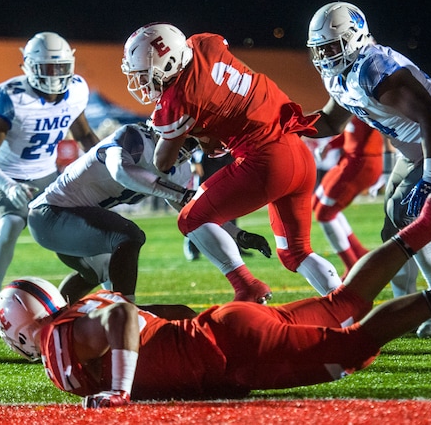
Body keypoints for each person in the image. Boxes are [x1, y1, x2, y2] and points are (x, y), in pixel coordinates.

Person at [0, 190, 431, 407]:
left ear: (20, 325)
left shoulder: (59, 343)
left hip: (229, 351)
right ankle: (427, 225)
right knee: (344, 302)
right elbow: (152, 315)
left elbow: (127, 318)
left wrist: (119, 389)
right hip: (223, 328)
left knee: (352, 344)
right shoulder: (80, 311)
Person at [120, 23, 343, 303]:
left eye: (145, 75)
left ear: (170, 63)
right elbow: (224, 87)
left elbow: (162, 162)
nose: (142, 83)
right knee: (296, 253)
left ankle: (247, 286)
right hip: (296, 149)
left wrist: (175, 132)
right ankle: (348, 307)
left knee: (191, 218)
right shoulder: (203, 43)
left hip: (266, 161)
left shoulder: (177, 99)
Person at [305, 2, 431, 338]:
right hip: (418, 148)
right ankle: (406, 304)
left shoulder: (374, 68)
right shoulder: (341, 76)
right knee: (393, 233)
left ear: (355, 36)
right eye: (321, 49)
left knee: (412, 213)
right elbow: (331, 120)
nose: (327, 55)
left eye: (333, 46)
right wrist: (289, 124)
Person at [27, 122, 272, 305]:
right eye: (183, 141)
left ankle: (50, 321)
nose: (182, 151)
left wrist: (237, 234)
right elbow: (121, 171)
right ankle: (127, 313)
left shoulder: (179, 169)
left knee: (95, 272)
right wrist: (180, 193)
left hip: (73, 222)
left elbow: (194, 215)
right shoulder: (134, 137)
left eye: (190, 145)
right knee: (128, 236)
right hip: (49, 215)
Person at [0, 32, 100, 333]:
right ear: (29, 67)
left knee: (73, 232)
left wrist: (109, 158)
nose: (55, 76)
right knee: (11, 223)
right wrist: (7, 184)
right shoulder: (12, 96)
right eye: (47, 69)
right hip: (6, 173)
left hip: (46, 174)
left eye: (60, 68)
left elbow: (85, 135)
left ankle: (94, 286)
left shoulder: (75, 91)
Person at [312, 117, 383, 274]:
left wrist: (388, 170)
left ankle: (352, 266)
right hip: (348, 160)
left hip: (362, 162)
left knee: (325, 213)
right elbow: (351, 133)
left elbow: (385, 128)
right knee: (316, 202)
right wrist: (330, 145)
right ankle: (360, 254)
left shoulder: (365, 100)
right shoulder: (351, 99)